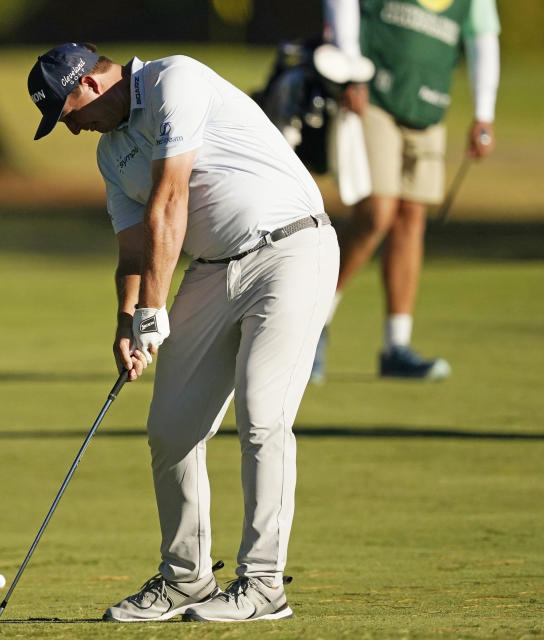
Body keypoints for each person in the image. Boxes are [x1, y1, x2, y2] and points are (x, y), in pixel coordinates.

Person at [27, 43, 339, 623]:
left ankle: (264, 584)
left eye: (68, 115)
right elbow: (132, 249)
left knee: (263, 415)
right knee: (171, 428)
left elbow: (169, 200)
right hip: (212, 270)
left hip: (292, 248)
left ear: (89, 86)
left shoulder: (176, 80)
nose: (72, 130)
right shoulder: (110, 154)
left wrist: (153, 310)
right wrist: (127, 321)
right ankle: (185, 579)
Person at [311, 0, 500, 382]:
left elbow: (482, 38)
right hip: (373, 98)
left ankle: (396, 345)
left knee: (411, 218)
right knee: (377, 212)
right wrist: (351, 69)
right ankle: (314, 322)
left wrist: (484, 113)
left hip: (428, 106)